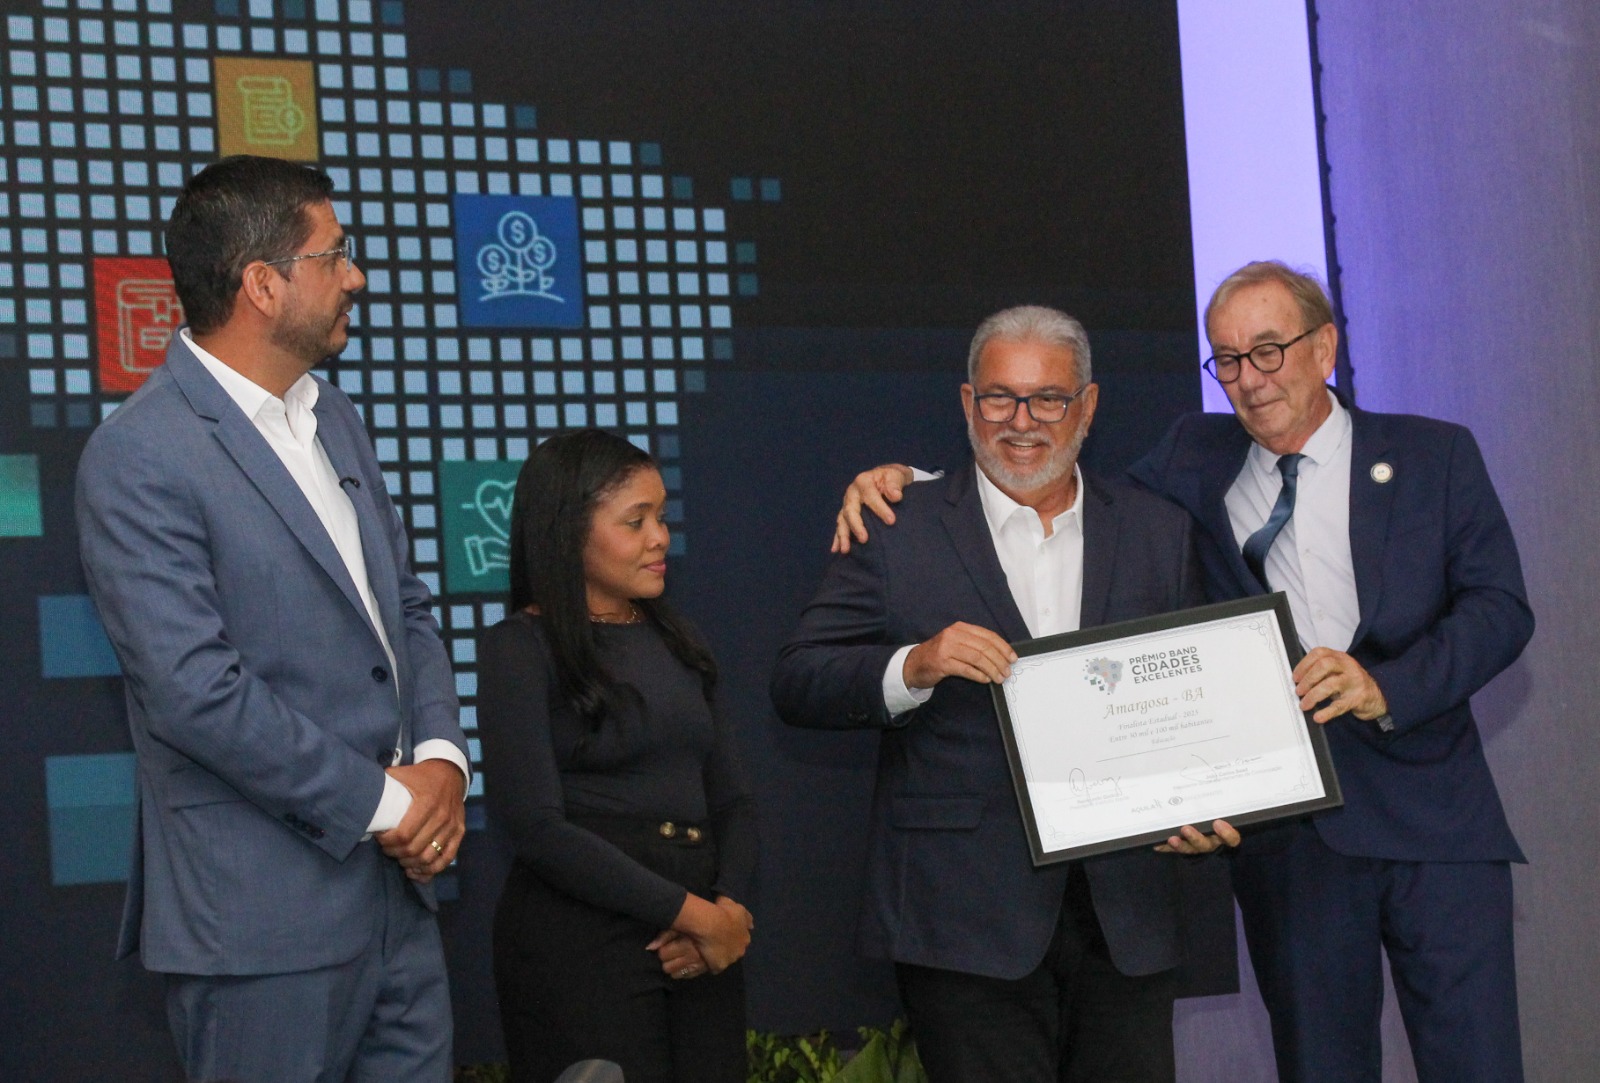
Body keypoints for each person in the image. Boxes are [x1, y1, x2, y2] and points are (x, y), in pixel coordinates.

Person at [835, 263, 1533, 1083]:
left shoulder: (1433, 453)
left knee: (1478, 1063)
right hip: (1294, 839)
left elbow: (1500, 609)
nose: (1250, 379)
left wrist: (1390, 687)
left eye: (1268, 351)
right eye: (1227, 359)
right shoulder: (1194, 456)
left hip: (1436, 819)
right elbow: (1049, 481)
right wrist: (917, 487)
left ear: (1325, 348)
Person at [75, 155, 470, 1081]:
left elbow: (405, 606)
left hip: (400, 909)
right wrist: (391, 804)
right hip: (261, 926)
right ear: (262, 283)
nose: (355, 277)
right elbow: (194, 692)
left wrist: (443, 762)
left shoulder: (336, 417)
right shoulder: (140, 455)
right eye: (334, 254)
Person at [771, 306, 1237, 1083]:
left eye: (1048, 398)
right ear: (967, 403)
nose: (1021, 421)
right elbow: (798, 677)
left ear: (1087, 406)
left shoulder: (1158, 530)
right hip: (963, 919)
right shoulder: (896, 525)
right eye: (999, 397)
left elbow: (1199, 695)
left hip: (1128, 913)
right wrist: (913, 665)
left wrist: (1209, 802)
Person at [476, 428, 757, 1083]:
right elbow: (537, 826)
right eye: (636, 521)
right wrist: (695, 915)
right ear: (567, 531)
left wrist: (729, 911)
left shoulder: (680, 641)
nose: (660, 538)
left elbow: (735, 799)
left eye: (661, 516)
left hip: (699, 949)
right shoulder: (519, 648)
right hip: (582, 947)